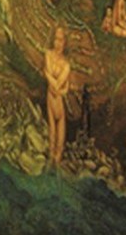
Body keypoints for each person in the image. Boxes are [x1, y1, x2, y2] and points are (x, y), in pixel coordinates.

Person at [45, 26, 72, 169]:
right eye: (56, 39)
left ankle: (58, 160)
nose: (58, 43)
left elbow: (55, 86)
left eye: (61, 40)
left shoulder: (66, 65)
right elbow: (54, 84)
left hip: (59, 105)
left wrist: (48, 75)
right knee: (52, 135)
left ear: (65, 42)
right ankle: (51, 162)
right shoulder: (48, 54)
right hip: (51, 101)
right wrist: (62, 89)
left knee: (59, 149)